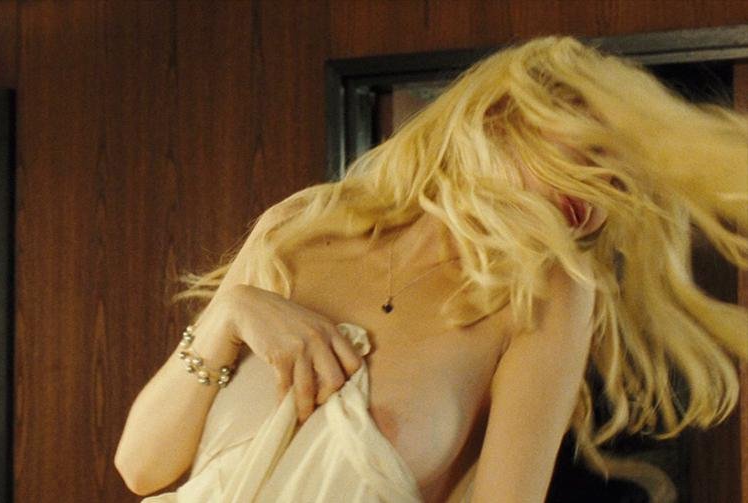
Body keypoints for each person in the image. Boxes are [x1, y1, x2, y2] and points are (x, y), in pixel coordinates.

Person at [114, 35, 748, 503]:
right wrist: (230, 313)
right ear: (502, 118)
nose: (604, 187)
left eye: (624, 178)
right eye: (594, 151)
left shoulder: (549, 293)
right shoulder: (301, 225)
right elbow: (141, 468)